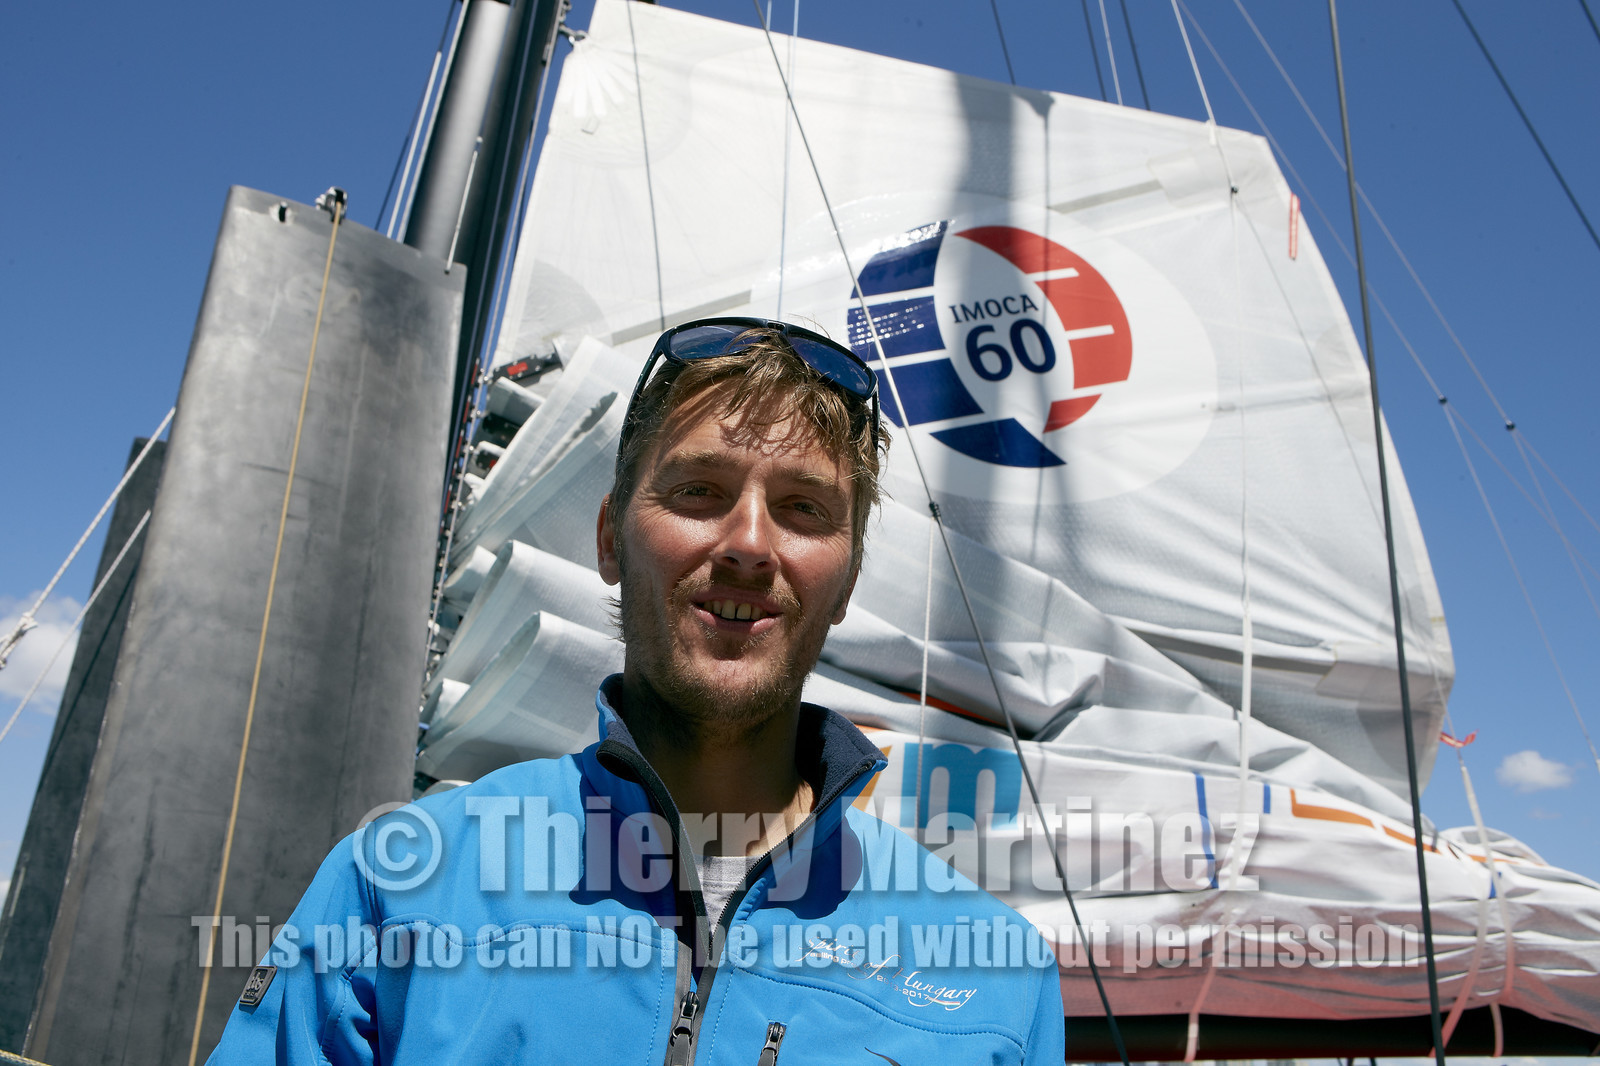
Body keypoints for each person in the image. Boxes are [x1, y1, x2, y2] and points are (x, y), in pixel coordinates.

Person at [208, 319, 1066, 1064]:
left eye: (804, 508)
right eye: (699, 492)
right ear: (610, 540)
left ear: (845, 583)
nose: (749, 543)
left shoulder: (998, 981)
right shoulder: (396, 886)